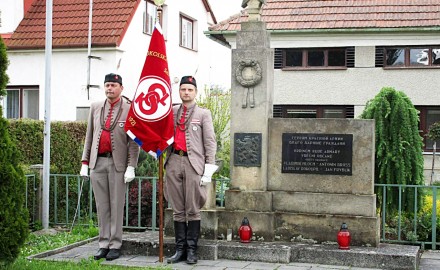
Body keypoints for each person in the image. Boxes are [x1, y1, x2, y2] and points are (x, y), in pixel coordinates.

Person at [80, 73, 140, 261]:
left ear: (121, 88)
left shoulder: (130, 109)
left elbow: (134, 141)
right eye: (107, 85)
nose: (109, 88)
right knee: (102, 205)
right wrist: (84, 162)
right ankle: (103, 243)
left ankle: (115, 244)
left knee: (116, 205)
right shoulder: (96, 107)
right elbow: (89, 136)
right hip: (97, 162)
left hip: (117, 163)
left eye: (113, 85)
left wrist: (131, 166)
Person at [165, 75, 217, 265]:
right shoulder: (171, 112)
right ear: (179, 91)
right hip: (173, 161)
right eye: (183, 89)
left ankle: (192, 250)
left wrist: (208, 170)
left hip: (194, 164)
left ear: (195, 92)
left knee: (193, 209)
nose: (186, 93)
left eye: (190, 90)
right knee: (177, 209)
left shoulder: (204, 114)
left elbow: (210, 143)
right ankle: (180, 250)